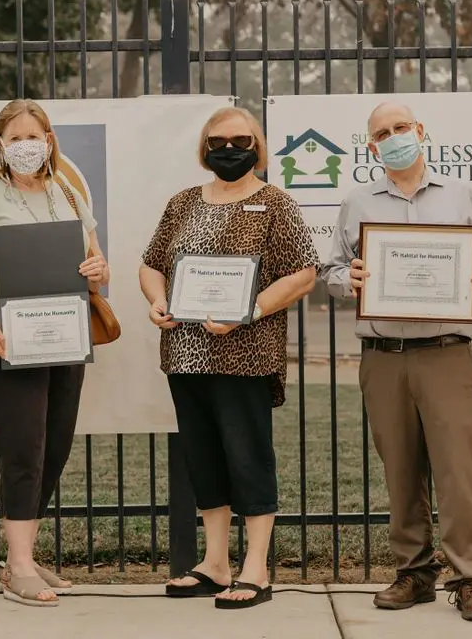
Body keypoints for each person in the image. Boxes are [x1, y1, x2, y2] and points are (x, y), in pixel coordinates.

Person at [319, 102, 472, 622]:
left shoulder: (463, 196)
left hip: (445, 352)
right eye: (383, 132)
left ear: (421, 132)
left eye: (401, 127)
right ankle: (415, 572)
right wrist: (346, 280)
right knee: (400, 470)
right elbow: (331, 269)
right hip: (383, 355)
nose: (394, 136)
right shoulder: (356, 202)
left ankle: (470, 577)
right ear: (371, 146)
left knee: (457, 471)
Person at [139, 106, 318, 609]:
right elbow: (152, 264)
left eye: (240, 141)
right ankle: (215, 564)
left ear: (258, 147)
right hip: (186, 355)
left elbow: (303, 273)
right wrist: (157, 300)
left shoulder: (275, 204)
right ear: (204, 148)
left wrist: (251, 309)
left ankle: (256, 567)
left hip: (245, 354)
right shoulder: (182, 204)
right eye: (217, 141)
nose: (229, 149)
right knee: (205, 460)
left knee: (248, 458)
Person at [0, 99, 109, 607]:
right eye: (14, 138)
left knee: (54, 449)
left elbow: (94, 260)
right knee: (23, 450)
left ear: (50, 140)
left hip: (64, 340)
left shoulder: (69, 196)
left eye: (32, 135)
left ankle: (23, 553)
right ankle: (17, 567)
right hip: (5, 344)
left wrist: (99, 271)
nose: (24, 145)